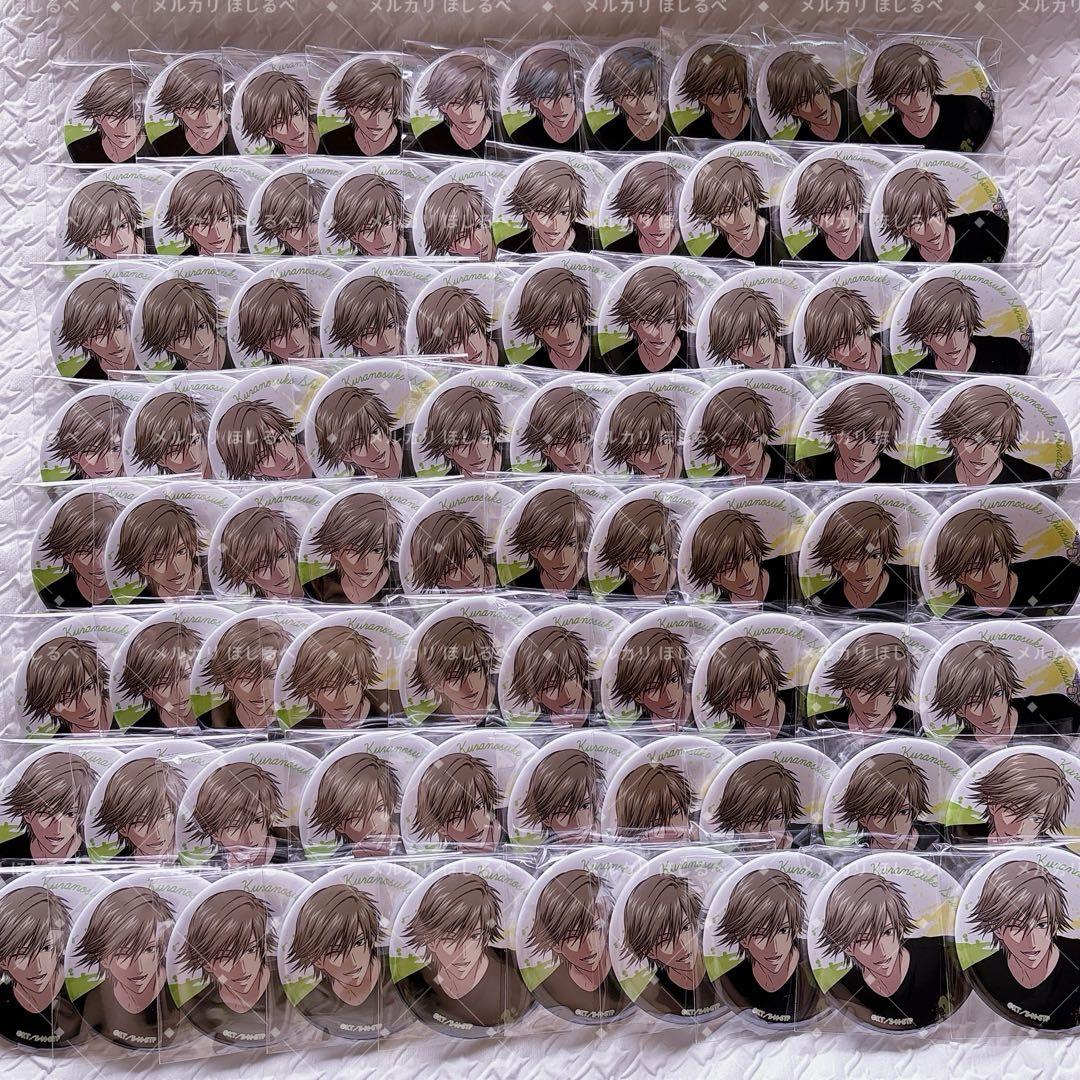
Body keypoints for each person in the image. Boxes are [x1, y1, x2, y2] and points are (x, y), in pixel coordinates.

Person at [817, 872, 961, 1030]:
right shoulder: (844, 990)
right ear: (846, 946)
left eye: (888, 932)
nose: (883, 951)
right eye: (865, 940)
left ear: (900, 927)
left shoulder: (943, 953)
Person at [399, 873, 531, 1031]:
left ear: (485, 936)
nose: (464, 953)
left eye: (474, 936)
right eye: (450, 939)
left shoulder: (516, 969)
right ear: (430, 940)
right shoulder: (415, 985)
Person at [286, 884, 410, 1039]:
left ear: (371, 939)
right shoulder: (314, 1004)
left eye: (359, 942)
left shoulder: (406, 976)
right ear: (316, 959)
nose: (353, 961)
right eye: (335, 951)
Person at [969, 860, 1080, 1029]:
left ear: (1055, 925)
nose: (1032, 942)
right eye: (1017, 927)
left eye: (1042, 925)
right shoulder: (984, 969)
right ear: (997, 929)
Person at [715, 868, 824, 1025]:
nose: (775, 947)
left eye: (783, 930)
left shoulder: (818, 972)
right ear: (742, 938)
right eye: (761, 934)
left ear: (795, 929)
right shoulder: (731, 982)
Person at [176, 890, 284, 1044]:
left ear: (263, 947)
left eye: (251, 950)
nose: (243, 968)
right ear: (206, 963)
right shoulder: (199, 1004)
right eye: (226, 956)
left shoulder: (287, 985)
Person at [73, 886, 176, 1049]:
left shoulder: (183, 998)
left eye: (149, 949)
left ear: (162, 948)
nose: (139, 967)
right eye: (124, 954)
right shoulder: (90, 1003)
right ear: (104, 958)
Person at [929, 508, 1080, 618]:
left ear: (1007, 555)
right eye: (975, 568)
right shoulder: (957, 616)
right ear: (959, 576)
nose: (992, 576)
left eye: (996, 559)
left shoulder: (1057, 572)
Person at [930, 638, 1080, 745]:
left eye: (997, 694)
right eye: (975, 702)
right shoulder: (960, 748)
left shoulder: (1057, 711)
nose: (992, 711)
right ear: (958, 709)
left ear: (1007, 688)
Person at [526, 871, 627, 1023]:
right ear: (555, 944)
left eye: (596, 928)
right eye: (573, 936)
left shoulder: (634, 978)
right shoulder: (549, 989)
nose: (590, 946)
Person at [620, 873, 720, 1021]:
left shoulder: (727, 978)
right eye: (666, 939)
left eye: (685, 928)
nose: (683, 945)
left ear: (697, 923)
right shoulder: (652, 996)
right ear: (649, 951)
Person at [865, 42, 994, 151]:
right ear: (890, 98)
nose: (918, 102)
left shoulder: (969, 109)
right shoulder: (882, 138)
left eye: (923, 89)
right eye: (905, 93)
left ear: (932, 85)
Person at [0, 886, 82, 1048]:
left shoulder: (86, 996)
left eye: (46, 948)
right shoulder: (3, 1002)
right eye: (22, 954)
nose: (38, 966)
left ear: (61, 946)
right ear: (3, 960)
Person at [920, 384, 1051, 485]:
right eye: (972, 440)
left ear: (1005, 443)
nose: (981, 455)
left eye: (994, 442)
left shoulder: (1034, 480)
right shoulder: (929, 475)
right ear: (953, 437)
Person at [899, 277, 1030, 374]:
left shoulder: (1009, 353)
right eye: (940, 333)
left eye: (960, 328)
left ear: (970, 326)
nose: (954, 343)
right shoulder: (916, 376)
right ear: (924, 337)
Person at [880, 166, 1009, 263]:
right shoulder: (908, 266)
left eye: (935, 214)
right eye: (917, 222)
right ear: (905, 231)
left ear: (944, 210)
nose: (932, 229)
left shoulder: (984, 224)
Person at [285, 625, 401, 728]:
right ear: (312, 693)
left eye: (352, 682)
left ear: (364, 680)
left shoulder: (395, 706)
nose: (345, 699)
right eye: (329, 687)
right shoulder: (304, 729)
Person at [807, 501, 911, 615]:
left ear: (885, 556)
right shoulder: (823, 602)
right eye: (853, 559)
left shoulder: (911, 583)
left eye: (875, 556)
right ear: (835, 561)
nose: (866, 571)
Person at [305, 492, 402, 604]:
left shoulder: (402, 580)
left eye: (377, 550)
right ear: (335, 551)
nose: (366, 565)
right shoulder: (318, 586)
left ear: (388, 549)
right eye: (354, 551)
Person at [187, 761, 289, 868]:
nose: (250, 839)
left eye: (257, 820)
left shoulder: (293, 855)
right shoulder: (209, 869)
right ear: (214, 833)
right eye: (234, 825)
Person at [0, 752, 96, 863]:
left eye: (70, 814)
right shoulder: (6, 853)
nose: (57, 829)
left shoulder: (98, 856)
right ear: (26, 813)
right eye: (46, 814)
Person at [199, 616, 290, 730]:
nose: (262, 691)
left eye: (272, 676)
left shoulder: (295, 720)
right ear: (227, 679)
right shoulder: (206, 721)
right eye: (248, 678)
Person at [685, 507, 789, 606]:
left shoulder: (788, 570)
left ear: (757, 552)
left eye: (748, 558)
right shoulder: (720, 611)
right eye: (729, 568)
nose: (745, 575)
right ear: (714, 578)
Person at [836, 754, 941, 850]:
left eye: (903, 812)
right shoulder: (851, 853)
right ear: (862, 817)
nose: (894, 828)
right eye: (880, 814)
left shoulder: (941, 836)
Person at [817, 633, 917, 734]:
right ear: (847, 688)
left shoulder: (915, 725)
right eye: (865, 690)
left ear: (899, 694)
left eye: (887, 693)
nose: (875, 706)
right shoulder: (824, 722)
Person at [808, 382, 906, 483]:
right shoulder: (812, 468)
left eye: (873, 440)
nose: (860, 453)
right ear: (835, 433)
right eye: (853, 437)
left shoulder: (902, 474)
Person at [700, 636, 798, 738]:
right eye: (745, 697)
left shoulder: (801, 702)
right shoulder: (732, 742)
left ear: (774, 682)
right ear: (729, 706)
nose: (761, 705)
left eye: (764, 688)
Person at [687, 158, 780, 264]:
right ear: (713, 219)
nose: (743, 219)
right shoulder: (713, 258)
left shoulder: (779, 219)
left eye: (746, 203)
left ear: (755, 199)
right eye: (728, 211)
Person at [308, 753, 402, 857]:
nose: (373, 827)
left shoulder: (410, 834)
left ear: (392, 803)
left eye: (379, 808)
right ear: (338, 826)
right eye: (357, 817)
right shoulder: (340, 860)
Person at [37, 491, 120, 608]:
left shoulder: (137, 594)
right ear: (67, 554)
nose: (100, 563)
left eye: (108, 547)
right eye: (86, 551)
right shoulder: (54, 595)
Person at [112, 499, 208, 600]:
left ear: (193, 546)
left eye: (180, 552)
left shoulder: (214, 574)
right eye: (158, 559)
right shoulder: (136, 601)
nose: (175, 569)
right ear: (141, 567)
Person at [967, 753, 1073, 845]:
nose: (1020, 829)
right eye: (1013, 811)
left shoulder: (1060, 854)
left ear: (1047, 825)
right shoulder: (962, 837)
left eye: (1036, 819)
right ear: (992, 804)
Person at [90, 757, 184, 859]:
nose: (157, 833)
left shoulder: (192, 859)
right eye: (142, 821)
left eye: (164, 816)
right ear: (122, 828)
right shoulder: (114, 865)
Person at [408, 617, 498, 724]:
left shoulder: (507, 707)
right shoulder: (429, 724)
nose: (470, 687)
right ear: (436, 684)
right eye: (455, 676)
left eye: (476, 669)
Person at [115, 620, 202, 729]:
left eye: (186, 676)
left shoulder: (214, 721)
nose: (180, 693)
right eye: (165, 683)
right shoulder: (139, 732)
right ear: (146, 690)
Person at [604, 268, 692, 375]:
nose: (659, 333)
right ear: (632, 321)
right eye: (649, 321)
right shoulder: (617, 358)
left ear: (680, 320)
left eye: (669, 321)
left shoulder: (694, 352)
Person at [505, 488, 592, 594]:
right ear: (532, 549)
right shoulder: (519, 587)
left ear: (581, 545)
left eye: (570, 544)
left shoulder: (597, 584)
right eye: (550, 546)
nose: (562, 559)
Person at [692, 386, 787, 482]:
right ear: (718, 450)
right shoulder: (714, 484)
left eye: (754, 439)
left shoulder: (787, 461)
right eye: (734, 444)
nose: (748, 455)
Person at [507, 627, 597, 726]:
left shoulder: (602, 703)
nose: (567, 695)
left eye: (571, 677)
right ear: (534, 694)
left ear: (582, 672)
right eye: (552, 686)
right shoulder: (539, 728)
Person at [410, 754, 502, 850]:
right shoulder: (444, 857)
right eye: (458, 817)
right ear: (440, 827)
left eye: (478, 807)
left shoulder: (507, 832)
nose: (475, 826)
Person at [609, 627, 692, 732]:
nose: (669, 697)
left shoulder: (701, 712)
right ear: (636, 696)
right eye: (654, 688)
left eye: (673, 680)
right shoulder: (637, 733)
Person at [710, 759, 806, 849]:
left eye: (777, 816)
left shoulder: (806, 840)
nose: (767, 831)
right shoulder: (729, 856)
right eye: (756, 820)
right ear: (737, 825)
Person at [22, 636, 110, 734]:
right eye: (67, 698)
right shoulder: (55, 739)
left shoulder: (123, 710)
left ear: (100, 683)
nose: (86, 705)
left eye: (88, 687)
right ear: (52, 709)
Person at [596, 497, 680, 599]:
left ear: (671, 551)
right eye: (639, 558)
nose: (653, 568)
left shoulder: (687, 593)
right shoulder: (615, 599)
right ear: (623, 563)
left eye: (659, 553)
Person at [499, 159, 589, 254]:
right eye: (544, 212)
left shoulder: (592, 240)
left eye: (563, 212)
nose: (554, 225)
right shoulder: (508, 249)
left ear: (574, 212)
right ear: (527, 212)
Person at [138, 278, 228, 372]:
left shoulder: (236, 345)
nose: (201, 344)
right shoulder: (173, 374)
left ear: (211, 320)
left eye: (201, 326)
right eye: (183, 336)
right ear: (168, 345)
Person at [150, 56, 235, 156]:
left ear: (224, 106)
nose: (206, 119)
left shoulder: (238, 140)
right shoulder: (163, 145)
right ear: (177, 110)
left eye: (213, 106)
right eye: (194, 108)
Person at [787, 159, 868, 261]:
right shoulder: (806, 258)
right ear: (814, 218)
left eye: (847, 207)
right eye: (828, 212)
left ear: (858, 203)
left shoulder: (874, 239)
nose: (842, 221)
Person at [511, 268, 592, 370]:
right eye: (553, 325)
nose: (567, 336)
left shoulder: (604, 353)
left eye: (572, 319)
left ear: (583, 317)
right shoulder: (531, 368)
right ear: (536, 330)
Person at [414, 53, 494, 155]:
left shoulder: (501, 133)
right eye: (458, 103)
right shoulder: (427, 141)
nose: (470, 115)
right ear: (442, 105)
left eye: (477, 102)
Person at [319, 57, 401, 156]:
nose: (377, 121)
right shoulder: (331, 142)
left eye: (387, 109)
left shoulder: (409, 141)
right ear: (350, 107)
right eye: (367, 108)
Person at [517, 749, 604, 843]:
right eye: (564, 811)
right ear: (545, 818)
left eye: (584, 806)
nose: (578, 823)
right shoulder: (539, 850)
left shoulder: (607, 840)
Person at [214, 398, 313, 480]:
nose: (284, 455)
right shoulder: (268, 493)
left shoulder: (314, 440)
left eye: (278, 439)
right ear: (254, 471)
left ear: (286, 431)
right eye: (265, 456)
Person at [418, 385, 507, 475]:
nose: (478, 454)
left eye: (484, 438)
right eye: (463, 444)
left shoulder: (511, 457)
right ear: (447, 451)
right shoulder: (448, 480)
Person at [217, 506, 302, 600]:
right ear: (247, 577)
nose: (281, 572)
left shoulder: (314, 585)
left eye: (282, 556)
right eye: (263, 566)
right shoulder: (251, 607)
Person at [57, 276, 136, 378]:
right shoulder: (83, 379)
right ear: (84, 341)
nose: (117, 342)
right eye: (101, 334)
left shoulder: (152, 365)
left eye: (120, 326)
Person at [766, 49, 852, 142]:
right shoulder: (800, 141)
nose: (819, 106)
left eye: (818, 91)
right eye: (804, 101)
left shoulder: (852, 102)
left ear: (826, 87)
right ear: (793, 110)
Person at [506, 47, 583, 148]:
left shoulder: (593, 131)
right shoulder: (522, 137)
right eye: (549, 97)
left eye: (567, 95)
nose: (561, 108)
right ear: (533, 100)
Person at [604, 159, 685, 255]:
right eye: (648, 214)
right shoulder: (616, 252)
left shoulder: (692, 249)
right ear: (630, 213)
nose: (659, 226)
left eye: (668, 213)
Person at [69, 67, 148, 162]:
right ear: (97, 116)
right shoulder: (80, 149)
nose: (125, 129)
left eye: (136, 117)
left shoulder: (156, 149)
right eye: (115, 117)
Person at [591, 45, 661, 151]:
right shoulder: (605, 135)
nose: (644, 104)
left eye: (650, 92)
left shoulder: (672, 129)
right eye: (632, 95)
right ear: (617, 98)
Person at [160, 170, 246, 256]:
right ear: (186, 228)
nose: (217, 234)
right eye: (203, 223)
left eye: (223, 218)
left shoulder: (250, 244)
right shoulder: (184, 259)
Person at [676, 43, 752, 140]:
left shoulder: (760, 124)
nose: (729, 104)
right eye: (717, 93)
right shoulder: (693, 134)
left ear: (744, 89)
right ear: (702, 97)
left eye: (734, 90)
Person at [408, 510, 496, 592]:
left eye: (470, 556)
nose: (469, 573)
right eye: (452, 567)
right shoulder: (442, 599)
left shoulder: (500, 567)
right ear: (438, 580)